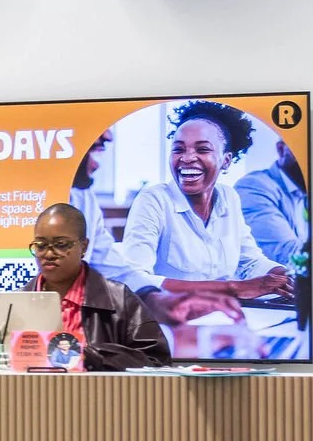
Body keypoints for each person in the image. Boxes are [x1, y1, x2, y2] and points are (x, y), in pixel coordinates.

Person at [120, 100, 293, 304]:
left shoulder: (229, 197)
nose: (187, 158)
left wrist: (287, 276)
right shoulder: (154, 200)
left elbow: (249, 261)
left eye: (202, 149)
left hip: (226, 317)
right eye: (178, 149)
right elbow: (135, 280)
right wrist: (234, 288)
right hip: (170, 322)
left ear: (226, 160)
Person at [23, 204, 171, 372]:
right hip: (33, 396)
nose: (48, 254)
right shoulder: (16, 303)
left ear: (84, 247)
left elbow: (156, 364)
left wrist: (93, 357)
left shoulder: (120, 300)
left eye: (60, 244)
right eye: (41, 245)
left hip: (100, 397)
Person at [67, 129, 136, 286]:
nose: (97, 165)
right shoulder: (20, 200)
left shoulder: (83, 196)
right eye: (94, 148)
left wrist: (151, 291)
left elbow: (108, 265)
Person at [235, 139, 310, 269]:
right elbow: (288, 256)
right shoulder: (254, 187)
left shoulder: (305, 195)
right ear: (281, 149)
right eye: (305, 150)